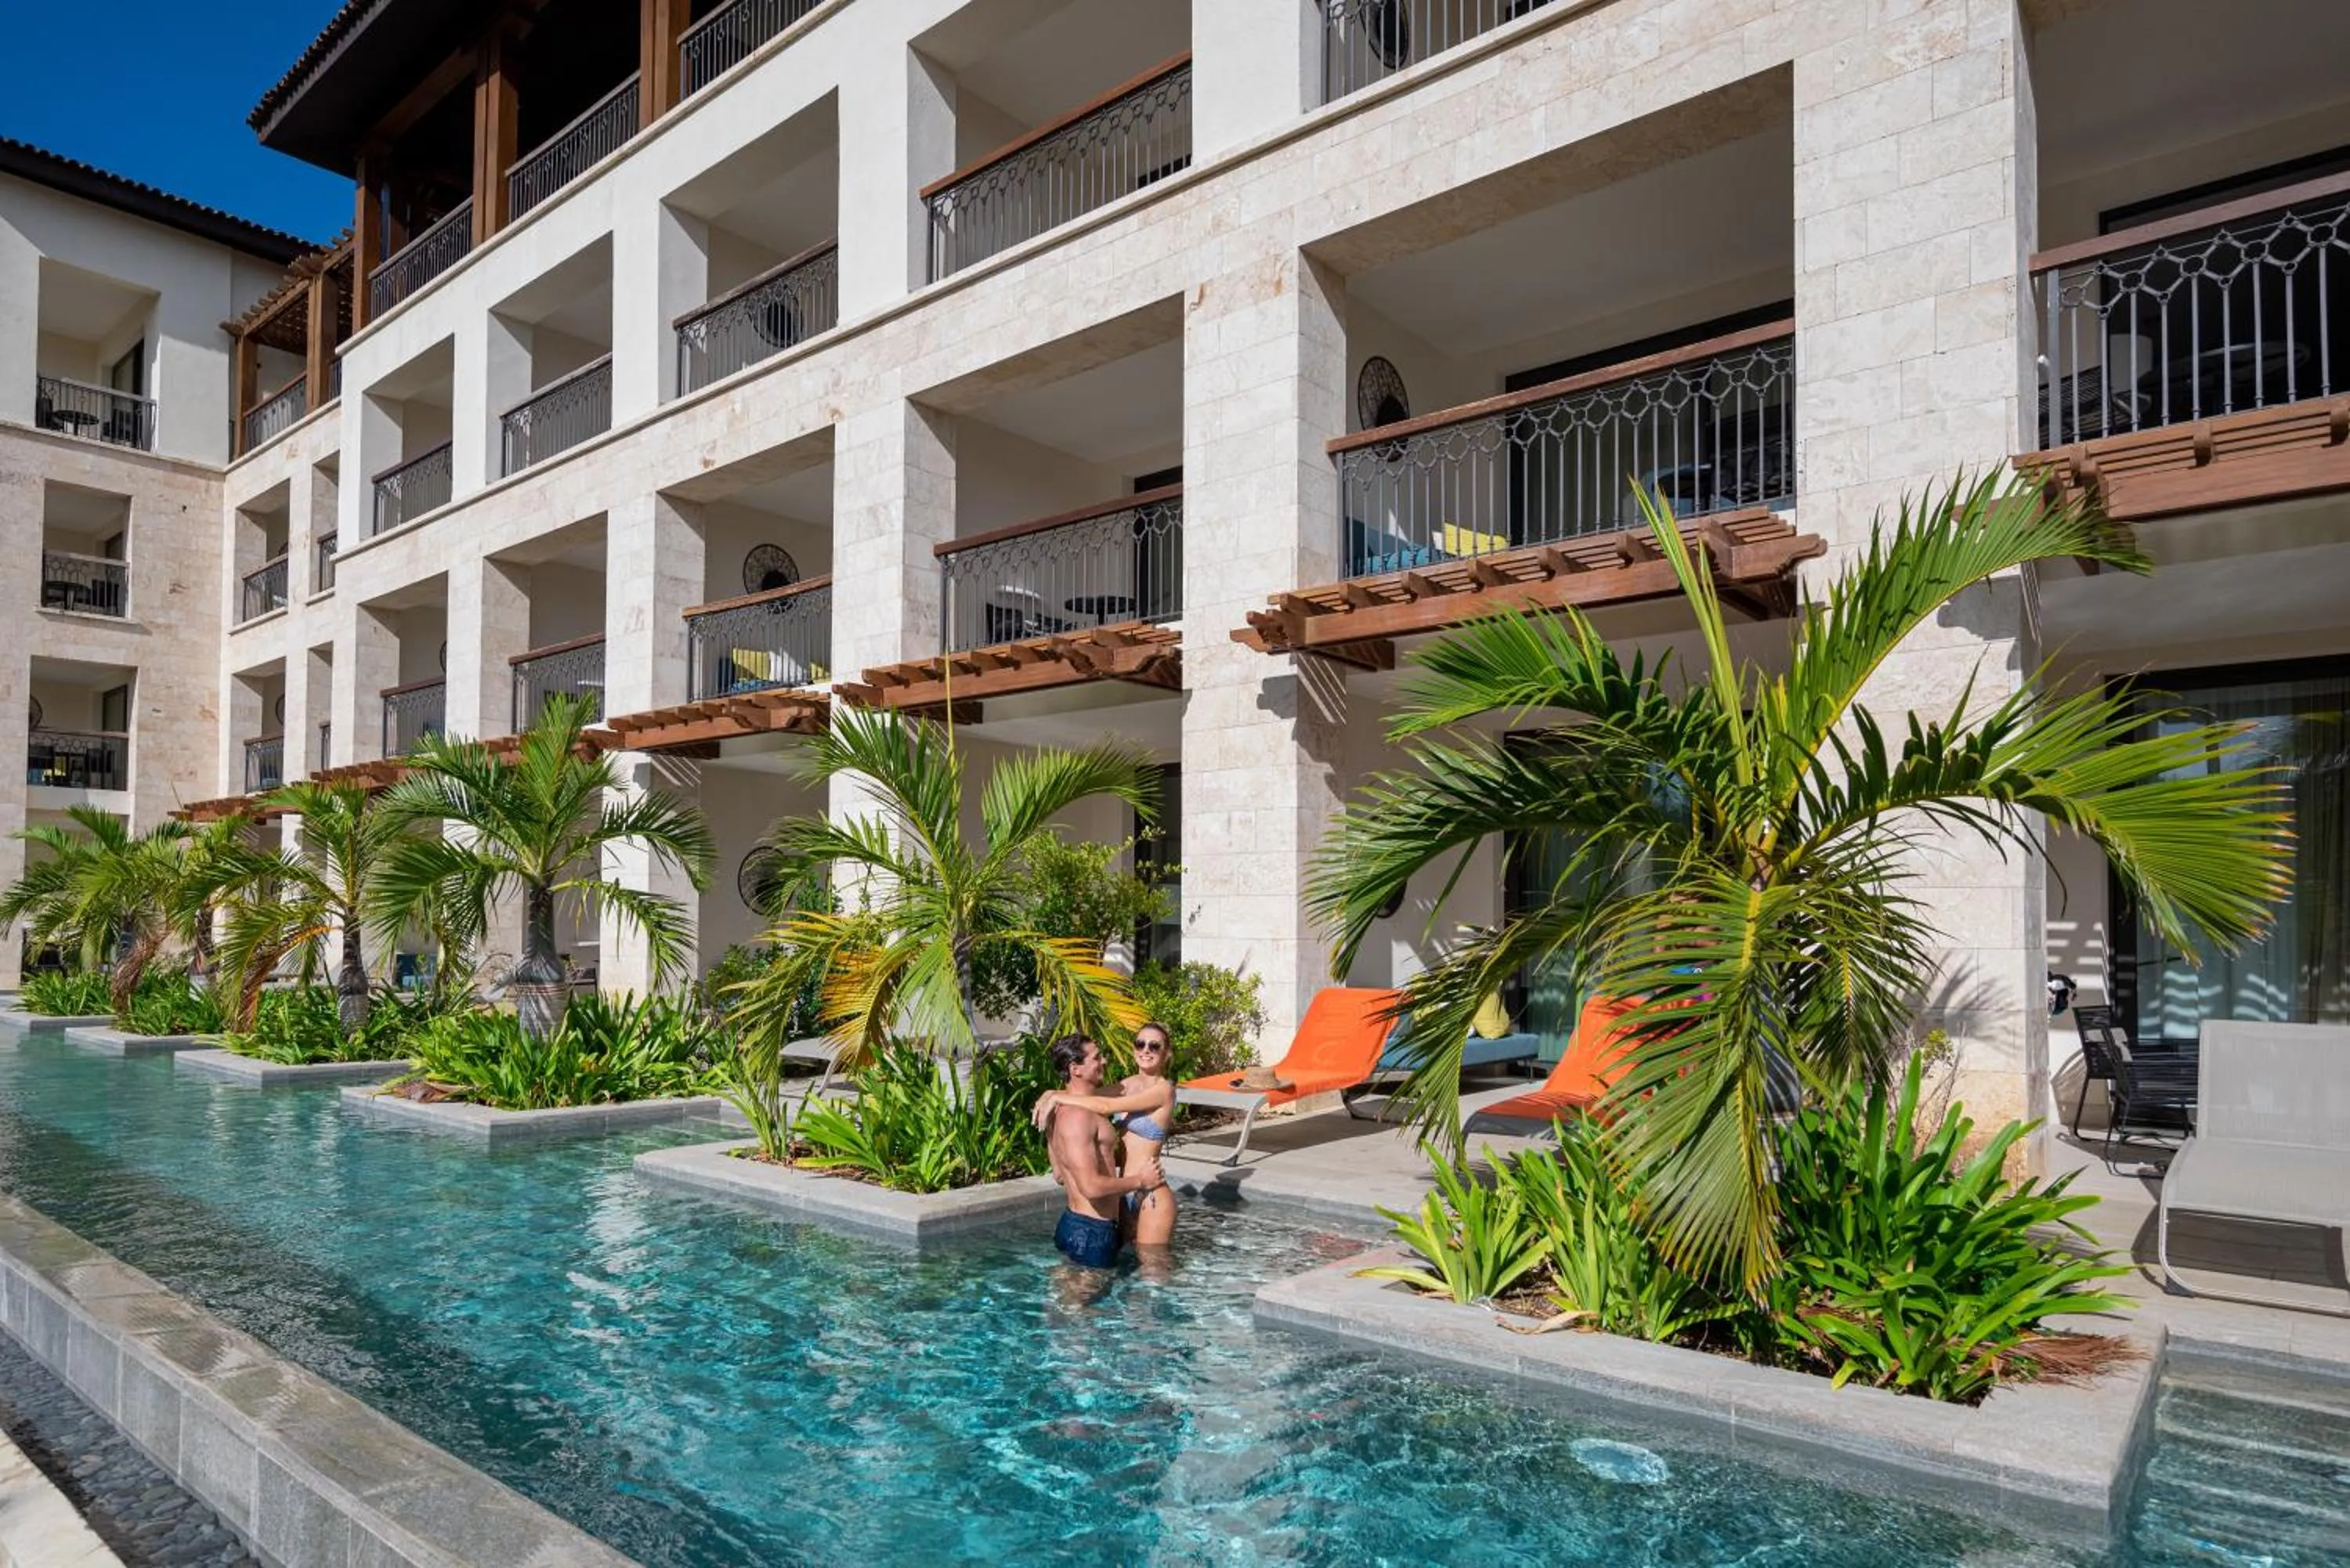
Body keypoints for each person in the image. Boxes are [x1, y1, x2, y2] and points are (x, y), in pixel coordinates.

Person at [1033, 1022, 1178, 1250]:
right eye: (1140, 1044)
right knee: (1127, 1267)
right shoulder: (1128, 1085)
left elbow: (1104, 1105)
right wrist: (1050, 1094)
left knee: (1153, 1273)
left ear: (1166, 1053)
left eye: (1154, 1045)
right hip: (1122, 1191)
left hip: (1150, 1191)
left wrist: (1056, 1098)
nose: (1146, 1050)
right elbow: (1084, 1095)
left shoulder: (1164, 1090)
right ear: (1134, 1049)